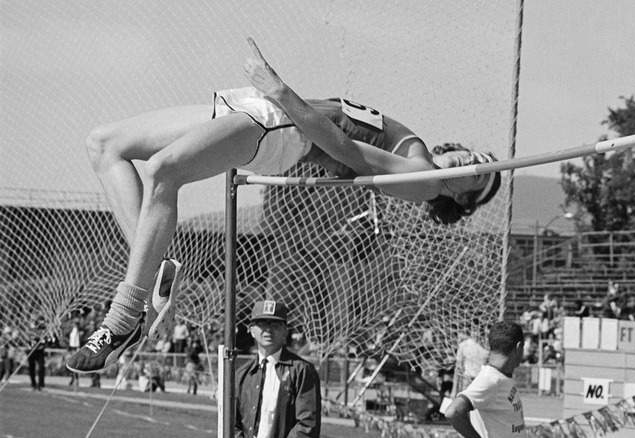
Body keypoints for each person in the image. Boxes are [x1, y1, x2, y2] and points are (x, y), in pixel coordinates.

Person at [66, 38, 502, 374]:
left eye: (480, 174)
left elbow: (348, 151)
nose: (474, 161)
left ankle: (122, 319)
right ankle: (157, 270)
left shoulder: (422, 181)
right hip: (269, 110)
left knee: (164, 171)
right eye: (481, 156)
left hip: (284, 132)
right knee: (104, 145)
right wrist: (276, 96)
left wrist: (280, 89)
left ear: (462, 197)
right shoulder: (418, 150)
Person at [235, 300, 321, 438]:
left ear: (285, 331)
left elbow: (307, 425)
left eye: (275, 325)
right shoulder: (242, 375)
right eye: (262, 324)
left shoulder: (302, 371)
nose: (268, 330)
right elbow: (233, 425)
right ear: (251, 330)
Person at [445, 321, 526, 437]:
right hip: (468, 378)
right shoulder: (490, 380)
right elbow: (453, 412)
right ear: (518, 348)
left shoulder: (501, 376)